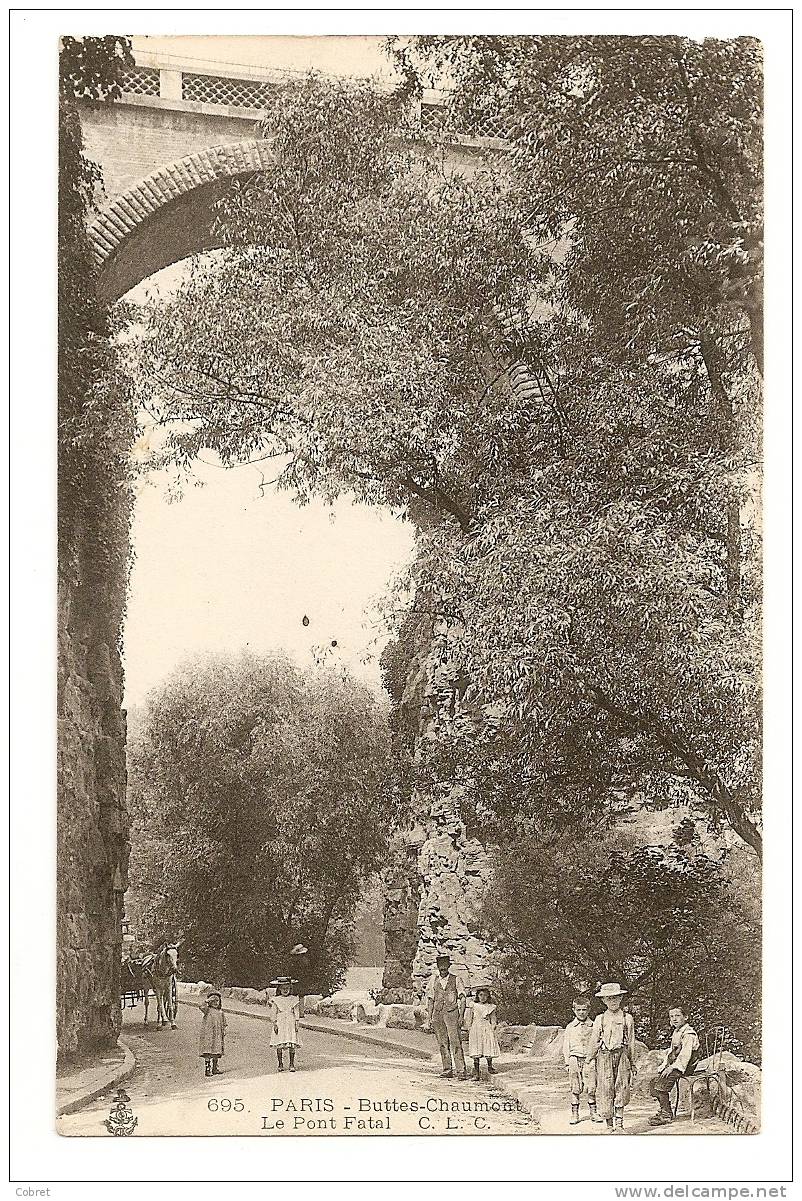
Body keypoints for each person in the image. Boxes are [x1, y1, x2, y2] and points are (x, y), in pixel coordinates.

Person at [585, 983, 637, 1132]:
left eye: (616, 998)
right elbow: (594, 1040)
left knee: (621, 1087)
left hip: (621, 1055)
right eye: (609, 998)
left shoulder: (627, 1018)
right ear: (604, 1001)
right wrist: (589, 1059)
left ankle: (620, 1125)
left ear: (621, 998)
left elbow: (631, 1041)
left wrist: (632, 1062)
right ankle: (609, 1125)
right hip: (604, 1056)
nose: (613, 1001)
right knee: (605, 1088)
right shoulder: (600, 1019)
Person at [648, 1005, 701, 1126]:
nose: (674, 1019)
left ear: (685, 1017)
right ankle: (664, 1109)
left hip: (686, 1066)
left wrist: (672, 1067)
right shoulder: (677, 1032)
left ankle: (667, 1115)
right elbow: (672, 1052)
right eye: (671, 1016)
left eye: (677, 1016)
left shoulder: (688, 1034)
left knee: (662, 1083)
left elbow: (685, 1055)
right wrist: (665, 1065)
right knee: (654, 1082)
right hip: (676, 1064)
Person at [425, 952, 467, 1079]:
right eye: (440, 966)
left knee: (455, 1042)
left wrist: (461, 1016)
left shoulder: (456, 979)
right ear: (437, 967)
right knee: (442, 1043)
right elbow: (430, 999)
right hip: (438, 1014)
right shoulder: (433, 980)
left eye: (444, 965)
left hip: (452, 1014)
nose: (442, 968)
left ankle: (461, 1071)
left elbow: (463, 998)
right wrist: (430, 1017)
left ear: (448, 966)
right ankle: (447, 1069)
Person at [563, 994, 600, 1125]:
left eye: (584, 1009)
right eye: (578, 1010)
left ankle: (593, 1112)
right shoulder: (570, 1027)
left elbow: (597, 1043)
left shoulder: (594, 1026)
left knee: (591, 1086)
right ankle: (575, 1113)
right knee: (575, 1086)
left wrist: (595, 1057)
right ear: (574, 1010)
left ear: (588, 1010)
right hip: (574, 1059)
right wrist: (567, 1062)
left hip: (589, 1059)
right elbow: (566, 1045)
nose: (581, 1012)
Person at [466, 986, 500, 1081]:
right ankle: (476, 1072)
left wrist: (493, 1027)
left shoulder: (490, 1007)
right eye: (481, 995)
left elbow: (493, 1019)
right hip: (476, 1028)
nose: (483, 997)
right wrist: (469, 1027)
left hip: (486, 1027)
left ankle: (490, 1066)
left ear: (488, 996)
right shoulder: (474, 1005)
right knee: (476, 1048)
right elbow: (469, 1018)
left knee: (487, 1046)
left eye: (485, 995)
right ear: (477, 996)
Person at [270, 977, 301, 1072]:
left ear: (290, 989)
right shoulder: (276, 1000)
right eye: (283, 988)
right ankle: (280, 1063)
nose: (285, 990)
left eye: (287, 988)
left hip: (290, 1022)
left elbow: (296, 1012)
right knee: (279, 1042)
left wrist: (296, 1022)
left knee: (291, 1042)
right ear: (279, 989)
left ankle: (291, 1063)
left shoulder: (293, 999)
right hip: (280, 1022)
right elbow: (273, 1012)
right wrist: (274, 1023)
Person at [199, 991, 227, 1077]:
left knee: (216, 1050)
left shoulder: (220, 1012)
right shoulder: (207, 1010)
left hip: (218, 1035)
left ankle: (215, 1068)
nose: (215, 1003)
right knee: (208, 1050)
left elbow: (224, 1023)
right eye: (213, 1001)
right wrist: (207, 1000)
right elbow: (201, 1006)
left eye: (217, 1001)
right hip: (209, 1034)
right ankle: (207, 1069)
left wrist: (224, 1030)